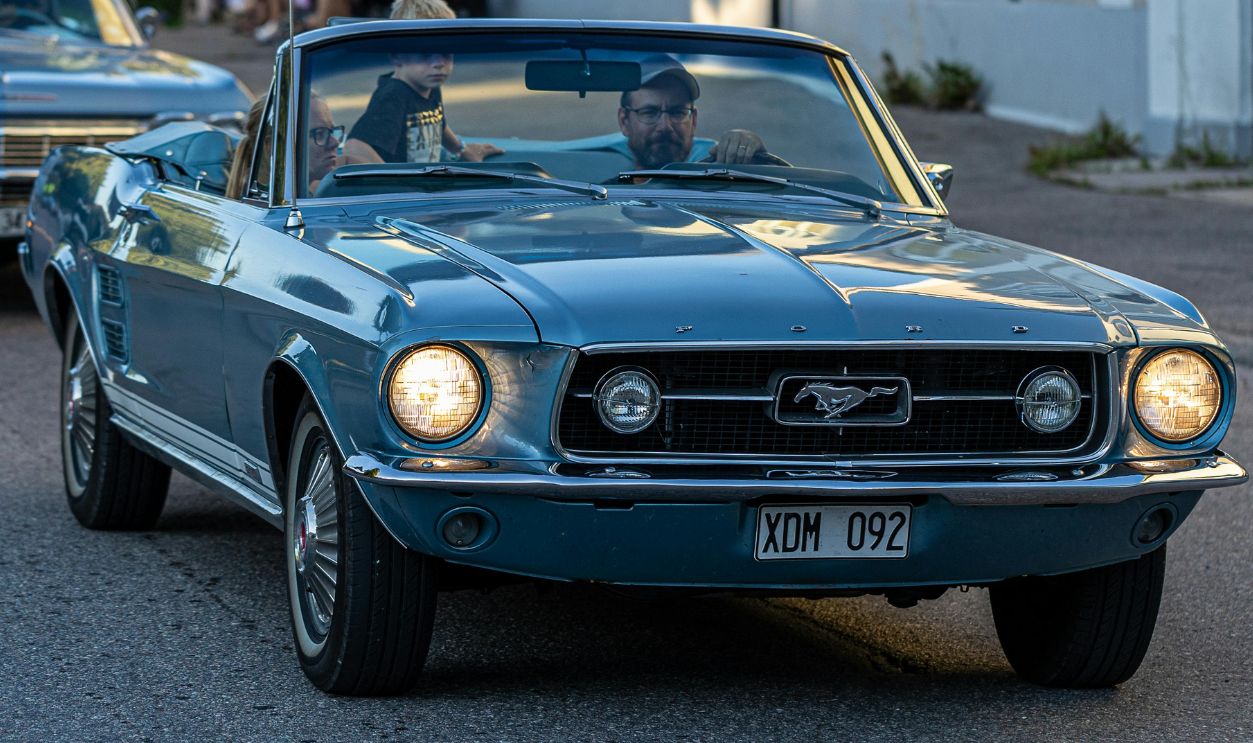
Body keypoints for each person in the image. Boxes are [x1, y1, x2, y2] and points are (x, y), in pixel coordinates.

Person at [344, 0, 501, 164]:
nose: (438, 64)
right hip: (406, 187)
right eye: (425, 54)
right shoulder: (394, 96)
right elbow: (355, 146)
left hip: (424, 181)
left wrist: (460, 149)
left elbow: (437, 122)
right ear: (396, 55)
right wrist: (390, 180)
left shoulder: (429, 83)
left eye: (446, 53)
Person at [618, 55, 784, 169]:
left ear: (694, 120)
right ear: (624, 121)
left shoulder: (725, 186)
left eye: (677, 112)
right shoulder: (598, 192)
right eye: (649, 112)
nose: (665, 126)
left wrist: (757, 163)